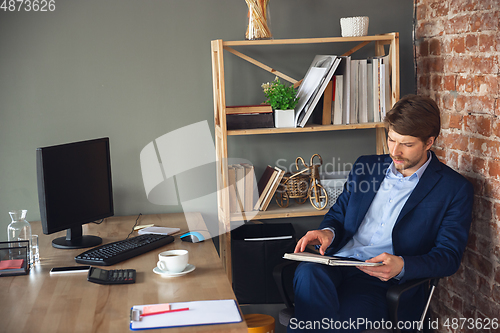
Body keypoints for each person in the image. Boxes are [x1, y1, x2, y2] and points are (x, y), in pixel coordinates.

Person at [289, 95, 474, 332]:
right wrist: (327, 233)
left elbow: (448, 257)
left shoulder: (453, 188)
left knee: (343, 321)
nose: (395, 152)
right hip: (336, 261)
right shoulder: (366, 167)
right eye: (391, 139)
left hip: (380, 280)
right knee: (308, 273)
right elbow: (338, 214)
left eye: (406, 144)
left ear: (429, 142)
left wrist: (402, 265)